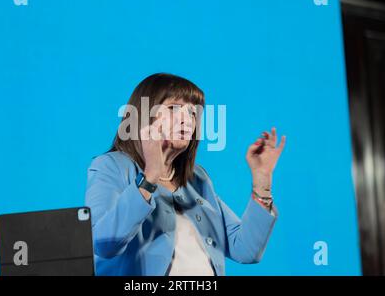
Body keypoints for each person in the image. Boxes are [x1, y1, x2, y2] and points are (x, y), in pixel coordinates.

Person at [85, 73, 286, 275]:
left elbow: (245, 249)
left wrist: (262, 181)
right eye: (173, 108)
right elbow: (103, 244)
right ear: (144, 116)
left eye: (192, 112)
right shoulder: (110, 166)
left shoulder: (198, 178)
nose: (187, 120)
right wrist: (150, 177)